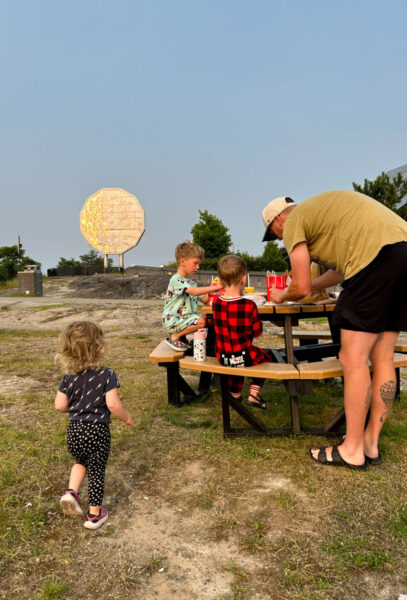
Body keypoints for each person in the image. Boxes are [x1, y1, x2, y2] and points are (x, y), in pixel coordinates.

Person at [261, 191, 407, 469]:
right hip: (402, 252)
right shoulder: (327, 214)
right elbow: (340, 272)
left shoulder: (294, 222)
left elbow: (300, 285)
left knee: (352, 358)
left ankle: (351, 449)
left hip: (374, 260)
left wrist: (281, 296)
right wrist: (314, 287)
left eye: (273, 233)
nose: (279, 239)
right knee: (383, 357)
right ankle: (369, 444)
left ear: (279, 219)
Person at [55, 321, 133, 529]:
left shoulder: (68, 378)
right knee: (97, 469)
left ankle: (71, 492)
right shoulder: (107, 374)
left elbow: (59, 405)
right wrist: (126, 418)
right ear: (99, 347)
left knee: (81, 460)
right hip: (97, 431)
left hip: (74, 431)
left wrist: (75, 408)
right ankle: (94, 515)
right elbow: (113, 404)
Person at [212, 255, 272, 409]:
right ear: (243, 279)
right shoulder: (249, 304)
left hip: (222, 356)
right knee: (266, 356)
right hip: (242, 356)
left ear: (220, 279)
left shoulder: (216, 302)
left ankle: (236, 394)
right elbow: (257, 332)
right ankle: (254, 394)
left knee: (236, 357)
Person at [162, 241, 223, 351]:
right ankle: (175, 336)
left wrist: (223, 292)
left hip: (185, 319)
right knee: (202, 321)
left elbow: (205, 299)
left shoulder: (191, 283)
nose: (198, 267)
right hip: (173, 320)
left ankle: (211, 347)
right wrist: (216, 287)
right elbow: (195, 292)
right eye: (195, 263)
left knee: (210, 319)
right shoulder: (176, 280)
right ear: (183, 261)